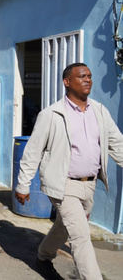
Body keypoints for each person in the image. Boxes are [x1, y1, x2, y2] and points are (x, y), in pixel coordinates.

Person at [15, 63, 123, 280]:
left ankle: (43, 256)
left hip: (89, 184)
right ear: (67, 82)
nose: (88, 80)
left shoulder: (100, 111)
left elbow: (117, 143)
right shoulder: (52, 114)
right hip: (63, 185)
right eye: (82, 76)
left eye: (90, 76)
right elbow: (33, 151)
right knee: (81, 237)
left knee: (64, 227)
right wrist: (23, 184)